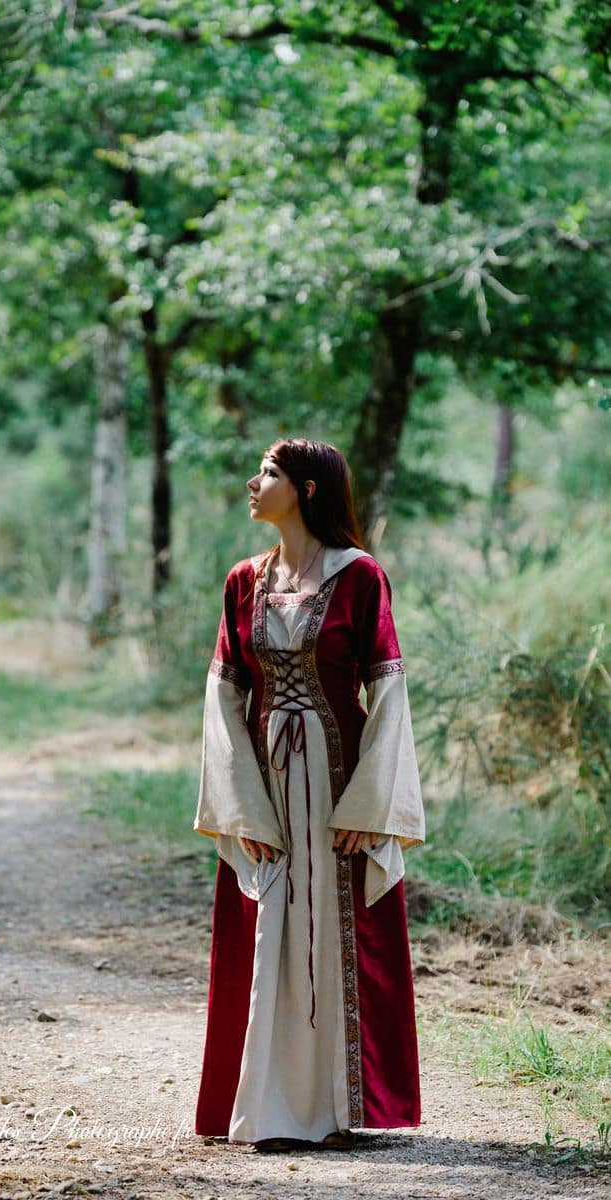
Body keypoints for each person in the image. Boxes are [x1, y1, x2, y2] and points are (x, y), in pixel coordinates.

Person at [193, 437, 425, 1151]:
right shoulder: (243, 581)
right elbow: (224, 697)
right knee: (271, 923)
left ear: (308, 488)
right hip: (265, 782)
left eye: (268, 472)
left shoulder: (360, 578)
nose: (253, 482)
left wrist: (370, 805)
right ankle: (266, 1108)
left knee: (336, 928)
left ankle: (335, 1108)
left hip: (339, 784)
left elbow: (388, 692)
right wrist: (241, 805)